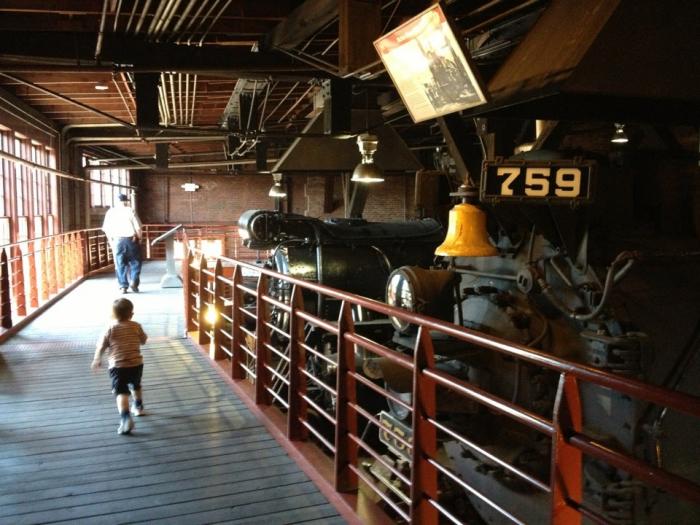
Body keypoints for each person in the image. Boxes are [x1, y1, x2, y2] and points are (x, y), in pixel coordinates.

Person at [91, 298, 148, 435]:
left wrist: (97, 358)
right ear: (131, 314)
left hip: (118, 366)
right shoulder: (136, 326)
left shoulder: (110, 328)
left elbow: (101, 346)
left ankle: (126, 418)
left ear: (112, 314)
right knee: (136, 385)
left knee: (121, 393)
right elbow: (143, 340)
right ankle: (138, 407)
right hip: (136, 363)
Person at [102, 193, 143, 293]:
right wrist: (140, 238)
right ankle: (134, 281)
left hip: (117, 241)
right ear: (126, 201)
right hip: (131, 240)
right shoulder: (130, 210)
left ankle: (123, 286)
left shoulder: (110, 212)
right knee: (135, 262)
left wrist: (111, 241)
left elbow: (106, 230)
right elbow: (138, 228)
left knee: (120, 264)